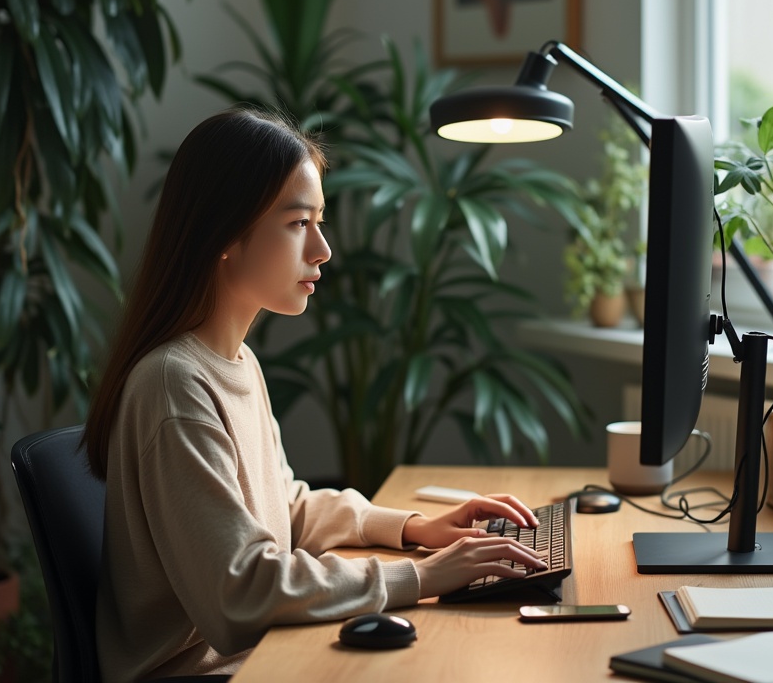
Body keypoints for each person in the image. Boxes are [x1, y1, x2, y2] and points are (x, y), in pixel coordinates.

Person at [83, 107, 548, 680]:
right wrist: (420, 577)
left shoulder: (236, 363)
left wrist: (412, 528)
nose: (323, 249)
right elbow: (239, 594)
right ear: (225, 233)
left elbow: (287, 508)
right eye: (299, 223)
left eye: (318, 222)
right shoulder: (173, 385)